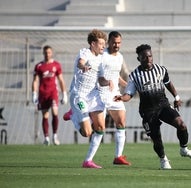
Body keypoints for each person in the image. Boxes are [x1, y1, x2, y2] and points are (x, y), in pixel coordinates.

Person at [114, 44, 191, 169]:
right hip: (147, 111)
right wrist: (121, 98)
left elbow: (168, 83)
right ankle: (163, 159)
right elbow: (129, 94)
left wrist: (177, 97)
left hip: (163, 105)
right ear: (139, 59)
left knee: (181, 124)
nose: (148, 59)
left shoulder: (161, 69)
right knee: (156, 138)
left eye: (150, 56)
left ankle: (184, 149)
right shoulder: (134, 76)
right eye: (144, 57)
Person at [67, 29, 107, 168]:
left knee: (101, 127)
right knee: (87, 132)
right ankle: (73, 115)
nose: (103, 46)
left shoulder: (101, 59)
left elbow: (101, 79)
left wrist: (108, 83)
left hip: (93, 96)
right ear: (92, 43)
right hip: (80, 96)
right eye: (101, 43)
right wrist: (83, 67)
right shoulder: (85, 52)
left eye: (104, 44)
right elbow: (80, 62)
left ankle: (88, 161)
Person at [98, 31, 131, 165]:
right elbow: (98, 76)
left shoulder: (120, 57)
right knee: (95, 129)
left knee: (122, 122)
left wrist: (129, 87)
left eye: (119, 43)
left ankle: (118, 156)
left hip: (115, 94)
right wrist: (105, 82)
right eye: (114, 43)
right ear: (108, 42)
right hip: (100, 94)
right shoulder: (102, 55)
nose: (116, 45)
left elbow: (116, 76)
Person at [32, 45, 68, 146]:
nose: (47, 54)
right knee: (45, 115)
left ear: (51, 53)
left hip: (53, 93)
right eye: (45, 53)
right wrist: (34, 93)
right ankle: (46, 137)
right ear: (43, 53)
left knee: (55, 112)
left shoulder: (56, 65)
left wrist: (64, 94)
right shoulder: (39, 66)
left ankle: (55, 135)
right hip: (43, 94)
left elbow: (61, 80)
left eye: (49, 52)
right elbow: (35, 80)